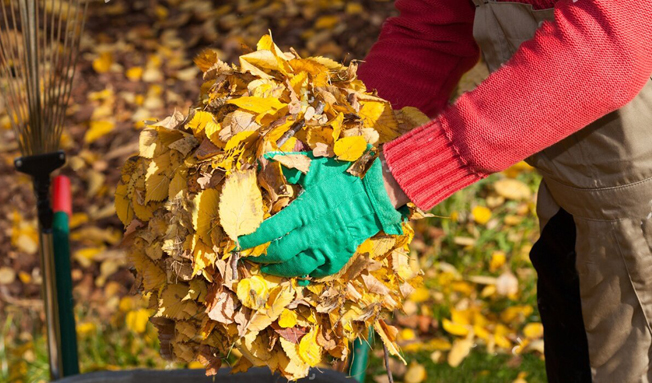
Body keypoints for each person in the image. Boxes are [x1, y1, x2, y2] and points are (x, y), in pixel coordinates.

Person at [239, 1, 652, 381]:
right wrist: (349, 137)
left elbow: (609, 40)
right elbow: (434, 25)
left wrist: (389, 180)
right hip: (583, 198)